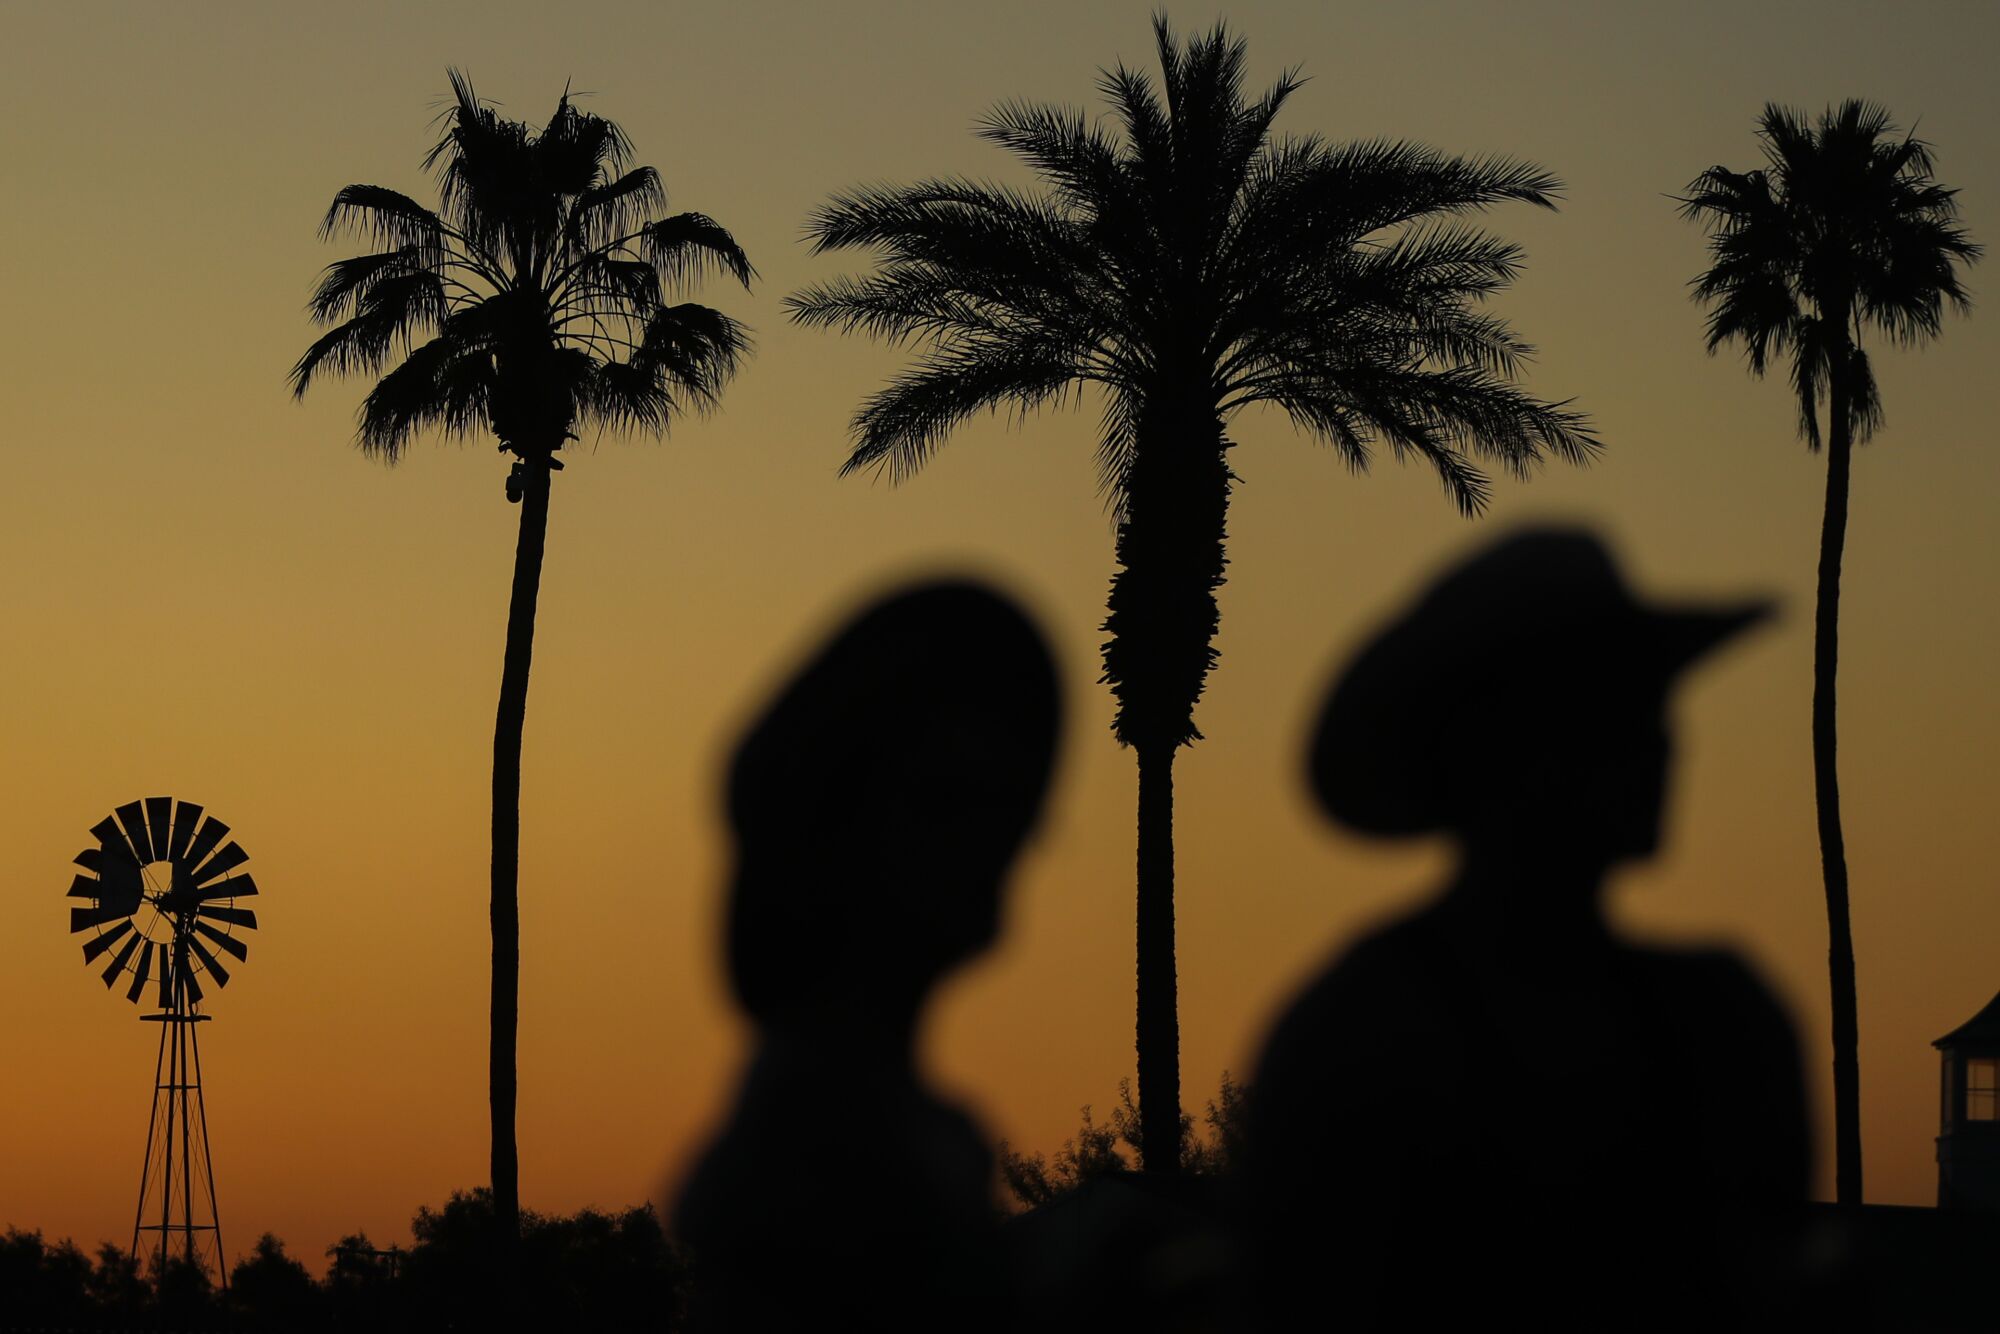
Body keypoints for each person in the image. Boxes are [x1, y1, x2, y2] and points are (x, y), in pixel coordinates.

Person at [1241, 528, 1809, 1331]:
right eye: (1610, 712)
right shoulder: (1362, 1040)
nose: (1662, 744)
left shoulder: (1727, 1023)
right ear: (1496, 747)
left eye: (1653, 706)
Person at [673, 578, 1062, 1332]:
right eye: (950, 799)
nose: (997, 839)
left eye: (1010, 802)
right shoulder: (822, 1159)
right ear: (835, 838)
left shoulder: (901, 1132)